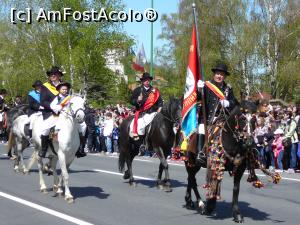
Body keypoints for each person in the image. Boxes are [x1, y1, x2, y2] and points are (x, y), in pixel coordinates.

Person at [197, 62, 239, 159]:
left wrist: (228, 103)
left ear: (224, 76)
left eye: (222, 74)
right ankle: (200, 153)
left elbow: (235, 103)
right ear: (214, 74)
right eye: (218, 74)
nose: (219, 76)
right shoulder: (206, 85)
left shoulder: (228, 88)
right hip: (207, 118)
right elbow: (198, 98)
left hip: (222, 118)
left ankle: (230, 153)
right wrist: (199, 90)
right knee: (202, 129)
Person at [50, 82, 87, 158]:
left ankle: (80, 147)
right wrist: (61, 106)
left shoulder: (71, 98)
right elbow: (53, 107)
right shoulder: (57, 98)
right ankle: (52, 143)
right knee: (55, 126)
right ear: (59, 90)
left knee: (83, 126)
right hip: (60, 116)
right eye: (63, 89)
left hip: (71, 117)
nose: (64, 91)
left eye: (66, 89)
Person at [39, 66, 64, 158]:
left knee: (81, 125)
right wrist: (53, 107)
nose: (52, 75)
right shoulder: (45, 86)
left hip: (64, 112)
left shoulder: (64, 86)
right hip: (50, 112)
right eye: (51, 74)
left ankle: (79, 148)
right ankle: (44, 149)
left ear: (59, 75)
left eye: (55, 74)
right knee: (45, 129)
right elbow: (43, 101)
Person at [130, 72, 163, 140]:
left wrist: (159, 108)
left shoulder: (155, 91)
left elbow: (160, 101)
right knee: (140, 128)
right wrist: (137, 100)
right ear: (142, 81)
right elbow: (131, 101)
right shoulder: (137, 90)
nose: (147, 81)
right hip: (142, 113)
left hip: (154, 113)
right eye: (145, 80)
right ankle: (141, 143)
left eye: (148, 80)